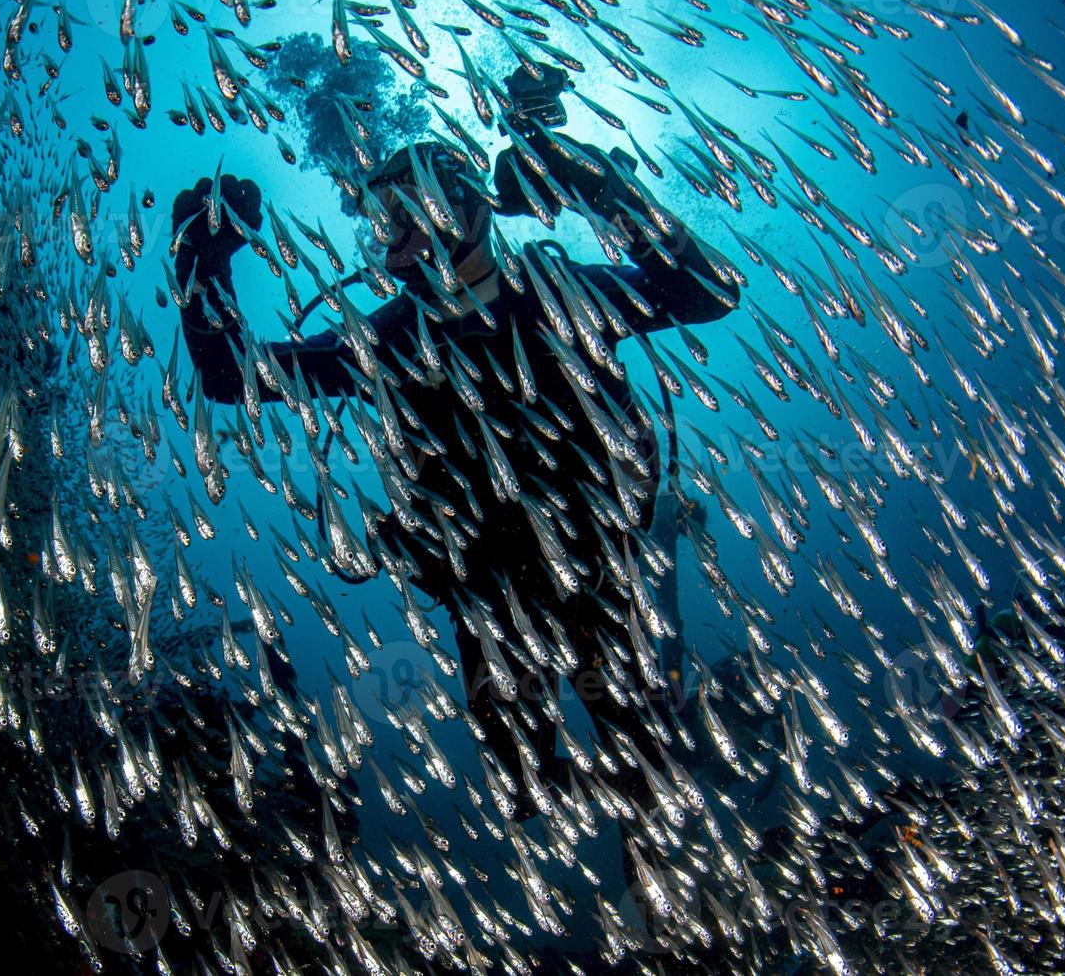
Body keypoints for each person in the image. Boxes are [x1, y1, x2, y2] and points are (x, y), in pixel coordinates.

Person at [171, 65, 740, 821]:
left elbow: (711, 291)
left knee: (650, 758)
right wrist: (201, 260)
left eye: (406, 207)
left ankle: (678, 795)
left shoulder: (559, 293)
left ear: (467, 204)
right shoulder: (390, 339)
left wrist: (598, 186)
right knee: (524, 789)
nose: (389, 232)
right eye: (378, 216)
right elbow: (231, 377)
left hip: (602, 566)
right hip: (484, 596)